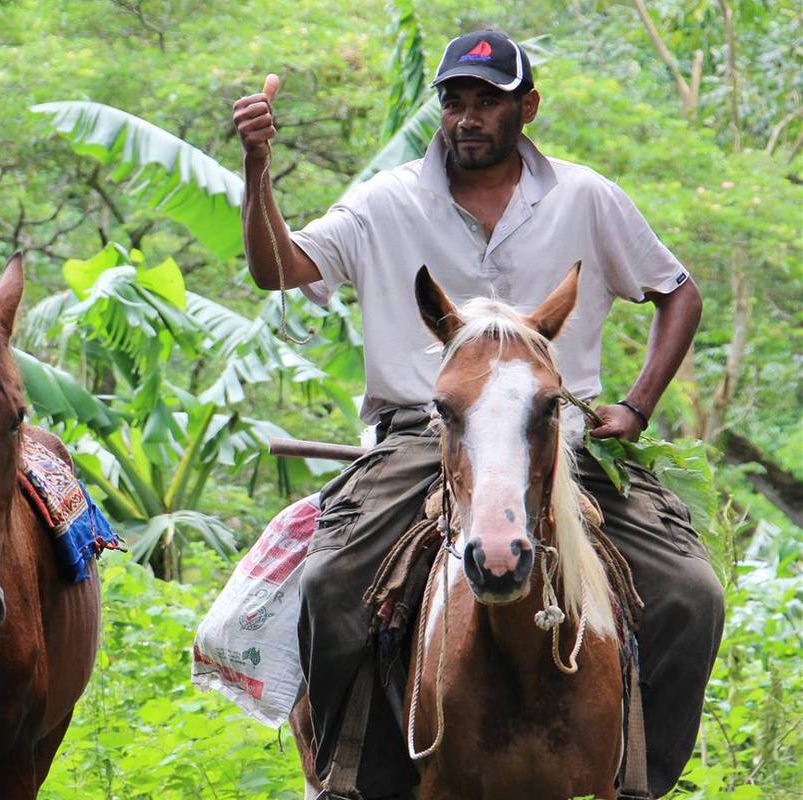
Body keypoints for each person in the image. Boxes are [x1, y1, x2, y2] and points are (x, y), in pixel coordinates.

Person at [232, 30, 723, 798]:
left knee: (692, 594)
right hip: (420, 435)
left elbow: (678, 292)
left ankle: (640, 778)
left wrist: (636, 405)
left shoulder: (585, 197)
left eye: (487, 102)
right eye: (455, 102)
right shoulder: (385, 201)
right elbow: (278, 268)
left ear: (526, 108)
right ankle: (349, 777)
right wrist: (257, 171)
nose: (467, 118)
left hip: (555, 432)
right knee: (329, 584)